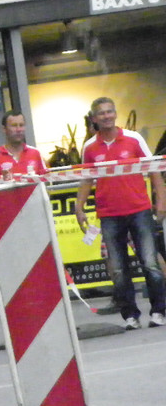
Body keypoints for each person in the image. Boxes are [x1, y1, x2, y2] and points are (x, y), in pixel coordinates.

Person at [75, 97, 166, 329]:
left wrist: (161, 201)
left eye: (110, 111)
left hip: (139, 210)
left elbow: (154, 169)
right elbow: (86, 179)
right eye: (101, 113)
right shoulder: (89, 147)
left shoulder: (134, 139)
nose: (106, 116)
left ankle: (159, 311)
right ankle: (130, 316)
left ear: (115, 114)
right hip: (109, 215)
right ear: (94, 119)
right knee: (117, 269)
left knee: (150, 263)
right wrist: (79, 206)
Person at [0, 110, 49, 178]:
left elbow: (46, 180)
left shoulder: (36, 153)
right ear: (4, 129)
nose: (18, 129)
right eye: (14, 126)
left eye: (21, 125)